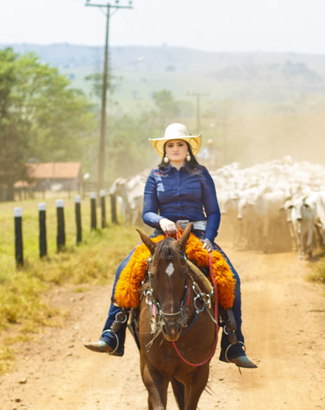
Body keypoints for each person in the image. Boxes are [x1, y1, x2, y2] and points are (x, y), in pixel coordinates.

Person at [83, 123, 258, 369]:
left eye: (180, 144)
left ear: (188, 148)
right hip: (162, 238)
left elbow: (214, 211)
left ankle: (233, 343)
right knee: (125, 270)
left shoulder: (201, 173)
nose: (175, 148)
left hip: (196, 237)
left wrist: (209, 237)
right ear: (164, 149)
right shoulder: (155, 175)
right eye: (171, 145)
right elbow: (147, 213)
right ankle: (113, 333)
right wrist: (161, 220)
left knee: (230, 279)